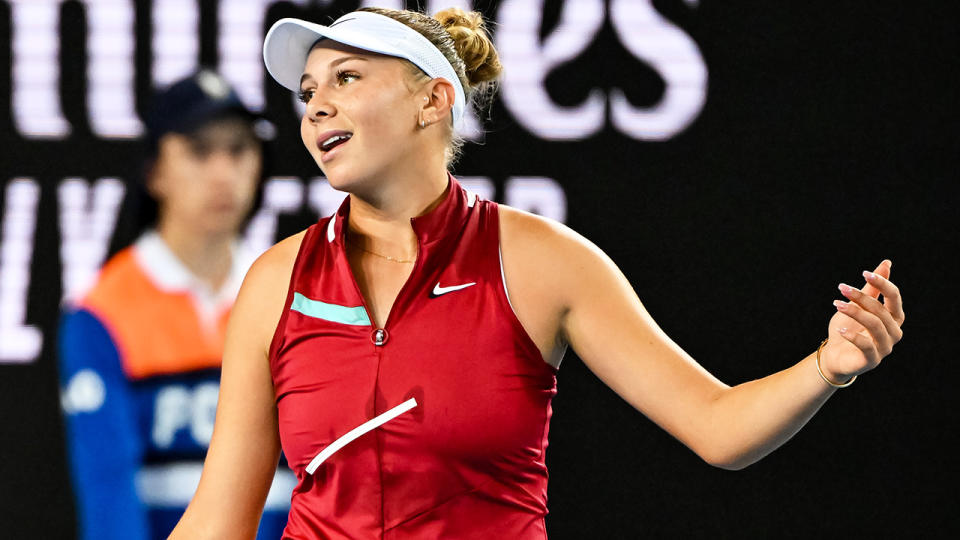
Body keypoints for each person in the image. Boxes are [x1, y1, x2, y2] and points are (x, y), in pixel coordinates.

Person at [170, 7, 905, 539]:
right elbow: (218, 521)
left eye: (347, 76)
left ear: (434, 99)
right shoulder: (276, 280)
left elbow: (719, 427)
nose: (316, 105)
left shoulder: (542, 262)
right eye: (306, 92)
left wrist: (827, 367)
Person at [58, 70, 292, 539]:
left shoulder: (296, 295)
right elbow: (109, 493)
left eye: (239, 149)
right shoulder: (102, 312)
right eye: (200, 151)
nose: (223, 172)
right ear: (154, 171)